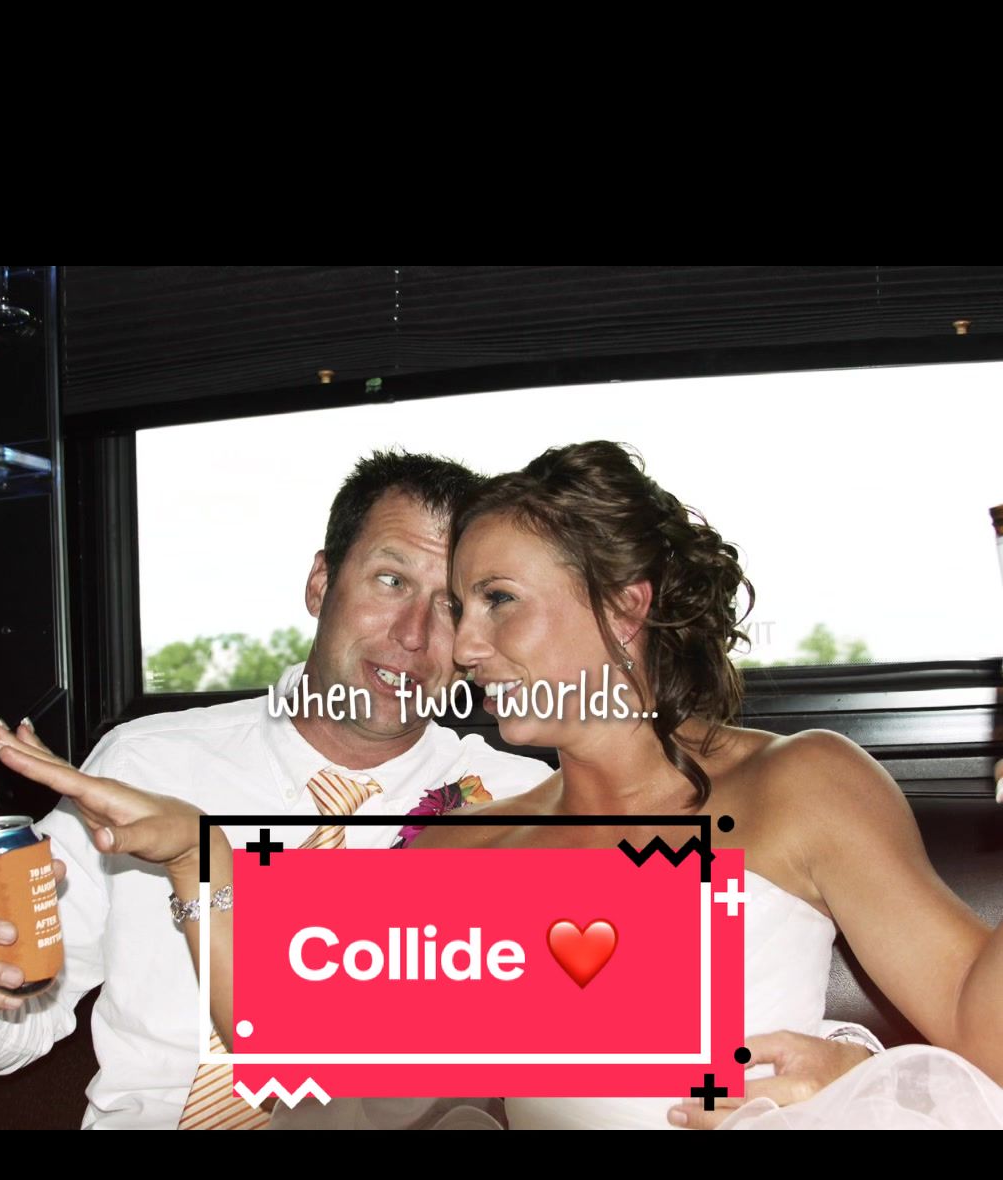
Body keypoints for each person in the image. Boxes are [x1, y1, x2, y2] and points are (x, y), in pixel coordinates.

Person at [0, 451, 552, 1130]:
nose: (413, 634)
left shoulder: (523, 805)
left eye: (451, 605)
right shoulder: (144, 764)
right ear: (321, 583)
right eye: (391, 580)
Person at [406, 439, 1003, 1129]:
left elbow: (979, 1022)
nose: (465, 647)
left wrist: (863, 1076)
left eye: (499, 599)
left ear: (624, 608)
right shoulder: (463, 848)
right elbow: (326, 1060)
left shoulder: (802, 785)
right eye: (460, 608)